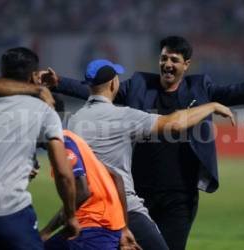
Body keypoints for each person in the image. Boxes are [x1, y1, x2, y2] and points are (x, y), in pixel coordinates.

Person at [0, 36, 244, 249]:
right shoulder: (137, 86)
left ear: (186, 64)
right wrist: (59, 83)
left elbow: (236, 93)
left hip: (179, 194)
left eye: (174, 59)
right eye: (163, 58)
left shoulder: (202, 87)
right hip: (138, 191)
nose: (167, 64)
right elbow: (94, 90)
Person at [66, 59, 234, 249]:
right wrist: (210, 106)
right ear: (113, 83)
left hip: (86, 211)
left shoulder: (74, 121)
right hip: (123, 209)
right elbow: (175, 123)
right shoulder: (124, 116)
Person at [0, 47, 79, 250]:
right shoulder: (44, 109)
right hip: (10, 212)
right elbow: (64, 173)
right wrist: (71, 215)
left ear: (3, 73)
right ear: (33, 75)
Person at [39, 95, 141, 250]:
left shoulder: (64, 142)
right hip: (104, 229)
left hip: (92, 230)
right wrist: (124, 228)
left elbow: (82, 191)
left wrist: (46, 232)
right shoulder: (75, 140)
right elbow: (116, 177)